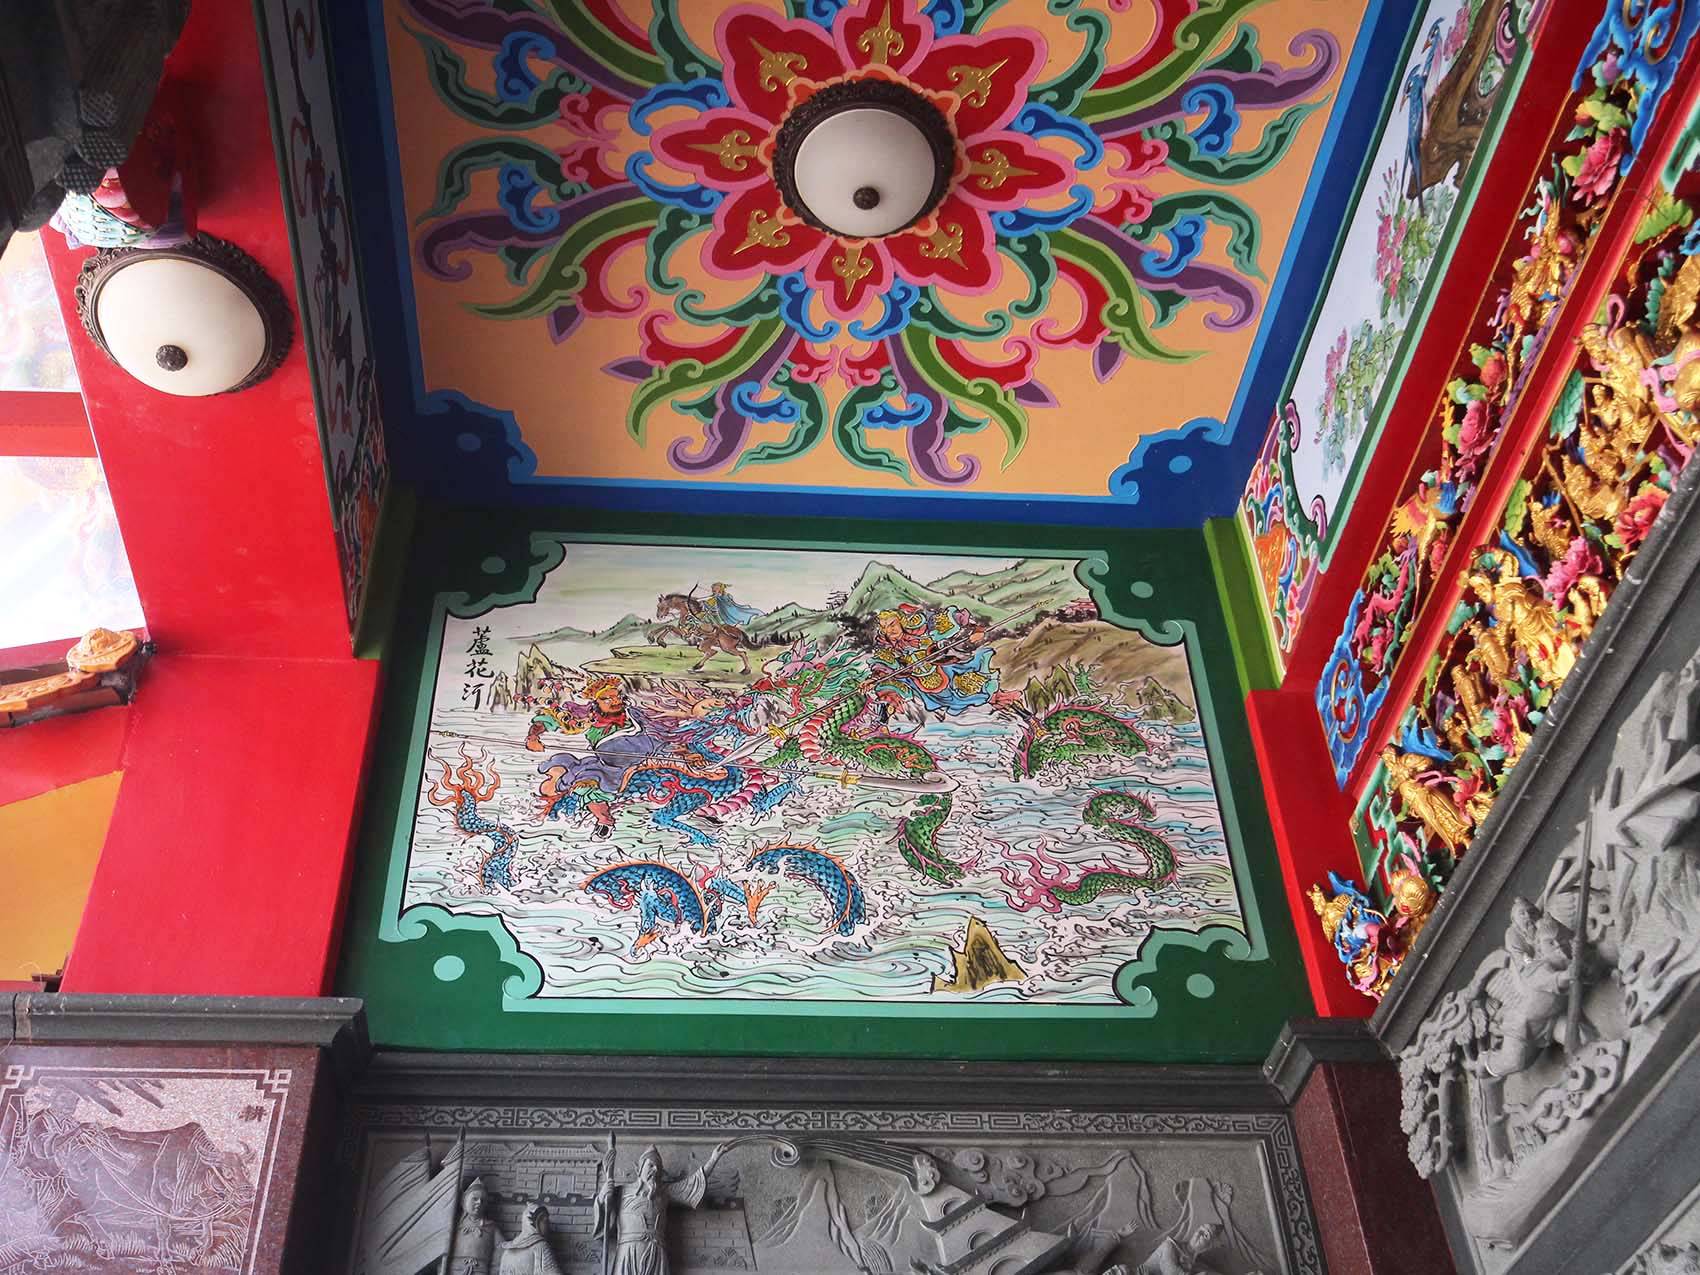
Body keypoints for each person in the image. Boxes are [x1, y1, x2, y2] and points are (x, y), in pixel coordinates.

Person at [597, 1143, 728, 1275]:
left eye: (658, 1167)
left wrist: (713, 1159)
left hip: (656, 1251)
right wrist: (602, 1197)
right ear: (640, 1168)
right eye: (651, 1165)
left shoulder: (664, 1192)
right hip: (628, 1251)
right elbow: (604, 1213)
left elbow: (691, 1185)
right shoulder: (621, 1191)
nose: (655, 1170)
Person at [450, 1177, 505, 1274]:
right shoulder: (454, 1225)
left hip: (480, 1271)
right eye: (475, 1199)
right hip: (455, 1271)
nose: (479, 1203)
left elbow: (501, 1250)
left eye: (483, 1200)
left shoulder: (491, 1227)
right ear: (464, 1201)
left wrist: (494, 1270)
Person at [498, 1202, 564, 1275]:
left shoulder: (507, 1251)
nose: (548, 1226)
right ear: (537, 1223)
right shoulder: (541, 1247)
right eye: (546, 1221)